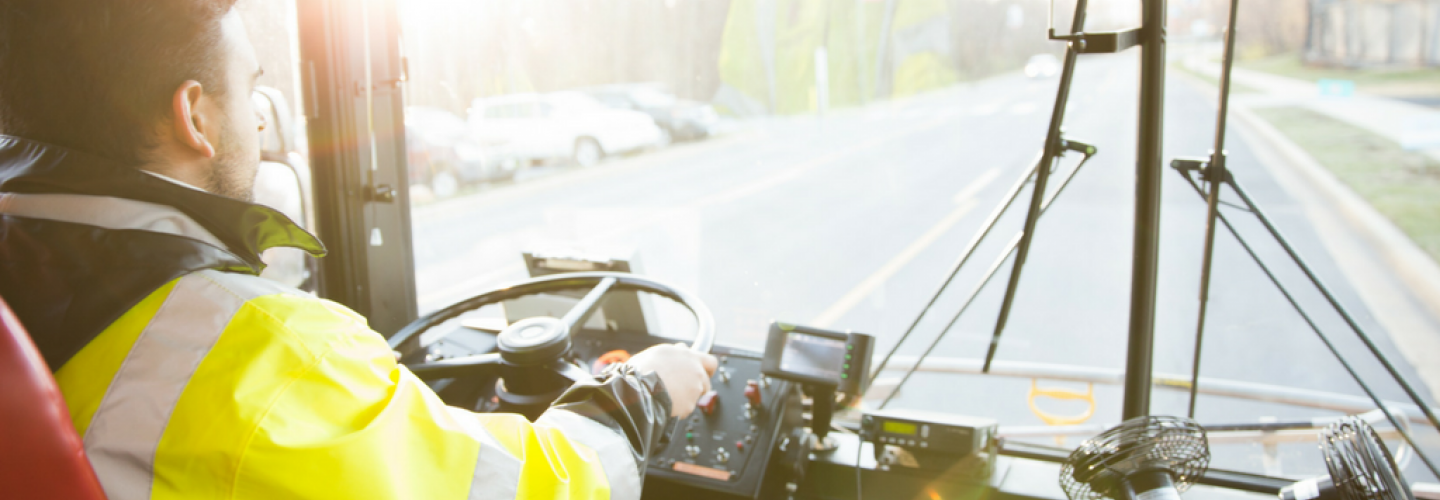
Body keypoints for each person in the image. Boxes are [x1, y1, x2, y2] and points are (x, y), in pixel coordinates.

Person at [0, 1, 717, 498]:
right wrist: (642, 391)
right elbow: (524, 490)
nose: (259, 112)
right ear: (196, 117)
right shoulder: (260, 353)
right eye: (251, 87)